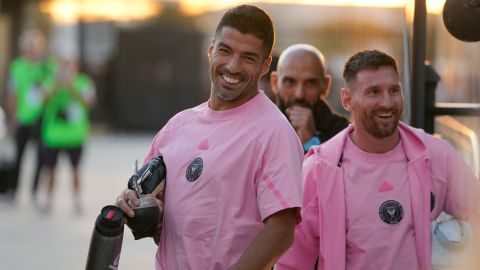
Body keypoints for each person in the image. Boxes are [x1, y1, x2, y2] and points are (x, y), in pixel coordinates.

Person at [116, 5, 304, 270]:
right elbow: (154, 202)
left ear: (264, 65)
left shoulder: (274, 133)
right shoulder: (176, 127)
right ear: (210, 50)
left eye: (248, 57)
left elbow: (281, 232)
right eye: (225, 50)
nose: (232, 66)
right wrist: (134, 202)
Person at [275, 49, 480, 270]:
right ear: (346, 99)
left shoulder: (436, 155)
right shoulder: (319, 168)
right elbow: (292, 263)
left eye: (393, 90)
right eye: (374, 92)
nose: (387, 102)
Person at [40, 58, 96, 214]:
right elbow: (42, 102)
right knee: (50, 170)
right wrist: (57, 86)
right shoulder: (50, 82)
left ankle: (78, 200)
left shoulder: (83, 82)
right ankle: (48, 200)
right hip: (53, 136)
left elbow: (89, 102)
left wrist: (71, 87)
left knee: (76, 170)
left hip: (75, 136)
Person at [270, 44, 348, 153]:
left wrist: (311, 142)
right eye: (290, 82)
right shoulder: (260, 127)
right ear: (275, 83)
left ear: (325, 86)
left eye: (310, 83)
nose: (299, 94)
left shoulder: (344, 134)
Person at [5, 28, 53, 203]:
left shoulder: (45, 67)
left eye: (36, 46)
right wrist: (12, 117)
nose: (33, 50)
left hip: (41, 118)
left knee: (40, 157)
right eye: (30, 46)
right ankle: (14, 190)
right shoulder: (17, 67)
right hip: (22, 118)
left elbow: (51, 90)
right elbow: (12, 93)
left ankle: (34, 191)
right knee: (18, 155)